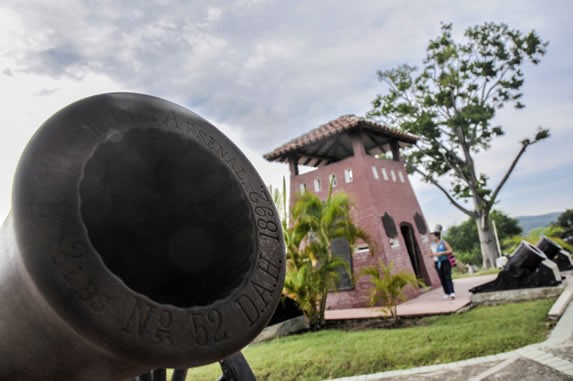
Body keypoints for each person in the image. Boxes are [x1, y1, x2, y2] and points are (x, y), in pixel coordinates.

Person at [429, 225, 456, 300]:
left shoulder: (443, 242)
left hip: (445, 262)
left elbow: (450, 250)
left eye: (433, 236)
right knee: (442, 278)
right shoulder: (432, 245)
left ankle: (452, 292)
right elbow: (429, 254)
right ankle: (446, 293)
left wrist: (442, 253)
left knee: (447, 277)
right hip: (437, 262)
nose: (432, 238)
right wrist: (433, 255)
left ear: (437, 236)